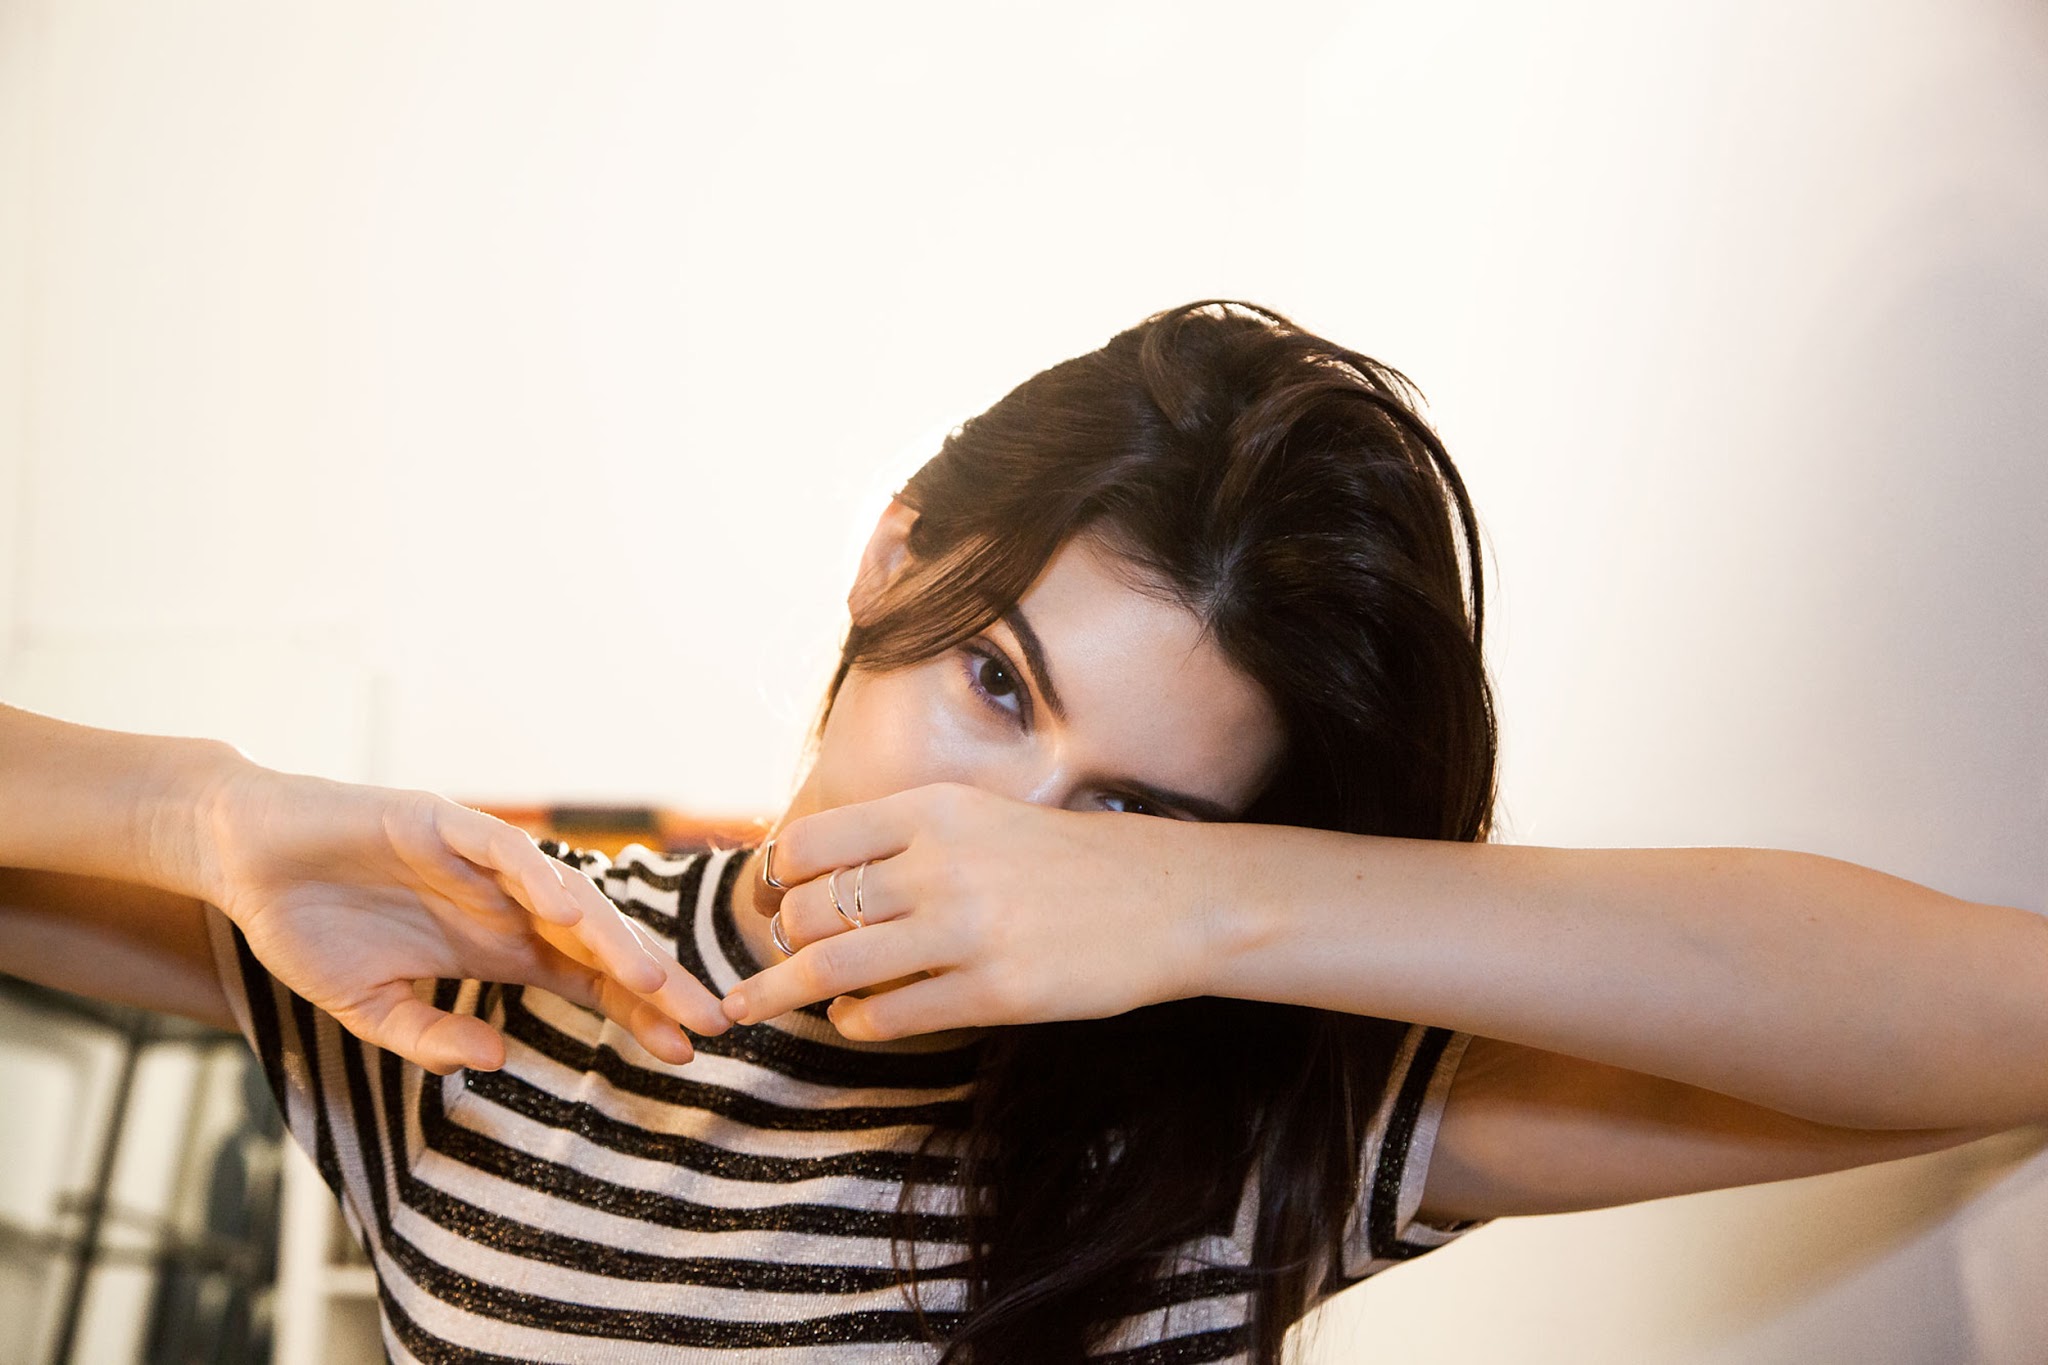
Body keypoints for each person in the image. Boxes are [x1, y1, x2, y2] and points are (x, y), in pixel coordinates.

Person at [2, 300, 2038, 1364]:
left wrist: (1200, 909)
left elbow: (2000, 1015)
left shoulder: (1229, 1103)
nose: (1008, 849)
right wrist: (199, 809)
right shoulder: (483, 982)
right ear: (894, 555)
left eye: (1132, 810)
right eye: (996, 684)